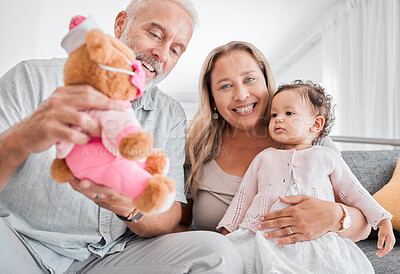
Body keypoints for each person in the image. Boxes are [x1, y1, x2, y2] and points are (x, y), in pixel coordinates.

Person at [0, 1, 244, 273]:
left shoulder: (170, 113)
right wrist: (22, 138)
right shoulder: (33, 77)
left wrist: (127, 207)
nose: (161, 54)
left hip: (110, 256)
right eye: (155, 34)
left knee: (219, 254)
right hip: (23, 244)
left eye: (175, 49)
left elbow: (172, 209)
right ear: (120, 25)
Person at [183, 41, 372, 251]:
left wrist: (335, 216)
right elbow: (179, 225)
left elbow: (364, 227)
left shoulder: (311, 140)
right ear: (212, 98)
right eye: (225, 86)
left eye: (250, 79)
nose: (241, 95)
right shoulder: (198, 148)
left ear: (266, 81)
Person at [217, 80, 395, 273]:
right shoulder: (264, 158)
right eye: (274, 115)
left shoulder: (326, 157)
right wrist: (227, 234)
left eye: (289, 113)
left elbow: (355, 192)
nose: (278, 119)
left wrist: (383, 221)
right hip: (262, 235)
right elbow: (243, 198)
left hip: (316, 238)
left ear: (316, 124)